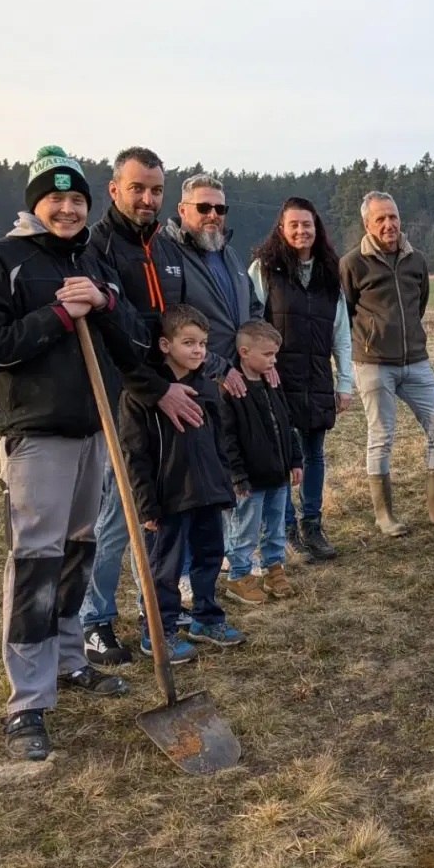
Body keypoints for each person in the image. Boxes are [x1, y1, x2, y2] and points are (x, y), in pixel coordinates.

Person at [0, 145, 147, 760]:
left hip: (94, 430)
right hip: (36, 434)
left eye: (76, 201)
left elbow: (136, 341)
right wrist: (59, 315)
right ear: (34, 205)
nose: (67, 210)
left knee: (77, 551)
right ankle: (28, 701)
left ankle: (70, 661)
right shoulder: (0, 261)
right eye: (55, 200)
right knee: (35, 562)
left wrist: (106, 303)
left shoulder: (95, 260)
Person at [80, 146, 196, 667]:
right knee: (115, 516)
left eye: (155, 190)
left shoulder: (166, 248)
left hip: (164, 397)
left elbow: (176, 322)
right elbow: (112, 331)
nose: (147, 199)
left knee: (153, 513)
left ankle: (152, 607)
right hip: (121, 400)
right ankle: (95, 619)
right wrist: (153, 389)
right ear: (114, 189)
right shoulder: (96, 247)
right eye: (137, 189)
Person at [341, 191, 434, 535]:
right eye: (380, 219)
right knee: (382, 435)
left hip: (415, 361)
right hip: (373, 363)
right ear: (367, 224)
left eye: (393, 217)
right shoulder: (352, 263)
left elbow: (419, 304)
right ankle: (384, 515)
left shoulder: (416, 260)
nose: (389, 224)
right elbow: (344, 313)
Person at [163, 173, 269, 603]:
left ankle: (225, 555)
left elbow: (253, 308)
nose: (213, 215)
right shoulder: (170, 255)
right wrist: (218, 366)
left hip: (235, 381)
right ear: (182, 210)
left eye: (220, 208)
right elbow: (172, 324)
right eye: (203, 207)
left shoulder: (228, 253)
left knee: (226, 471)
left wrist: (258, 354)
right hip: (193, 383)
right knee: (191, 482)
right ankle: (183, 571)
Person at [120, 304, 245, 662]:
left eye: (203, 343)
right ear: (165, 344)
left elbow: (219, 439)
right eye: (188, 343)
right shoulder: (143, 394)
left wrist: (224, 484)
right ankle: (159, 631)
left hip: (207, 492)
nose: (198, 351)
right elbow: (135, 453)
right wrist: (146, 504)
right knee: (165, 568)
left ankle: (206, 618)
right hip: (168, 498)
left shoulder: (205, 386)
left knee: (209, 557)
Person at [247, 198, 354, 562]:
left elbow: (341, 334)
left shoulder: (329, 275)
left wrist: (344, 383)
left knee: (314, 454)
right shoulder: (264, 270)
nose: (300, 231)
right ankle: (286, 530)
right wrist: (259, 368)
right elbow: (251, 323)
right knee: (281, 456)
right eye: (293, 224)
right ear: (282, 229)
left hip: (317, 377)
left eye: (306, 224)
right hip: (277, 380)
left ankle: (312, 525)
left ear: (316, 228)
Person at [220, 320, 304, 599]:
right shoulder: (229, 391)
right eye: (267, 354)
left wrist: (295, 460)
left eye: (275, 354)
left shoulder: (272, 383)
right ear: (244, 352)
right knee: (244, 529)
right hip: (249, 480)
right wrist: (237, 475)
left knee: (275, 526)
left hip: (278, 474)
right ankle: (239, 576)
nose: (273, 360)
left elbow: (286, 423)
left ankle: (274, 568)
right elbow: (227, 439)